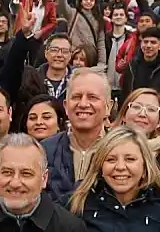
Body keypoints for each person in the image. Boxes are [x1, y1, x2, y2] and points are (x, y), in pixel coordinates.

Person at [41, 69, 113, 201]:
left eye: (92, 97)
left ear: (108, 106)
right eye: (76, 97)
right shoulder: (44, 150)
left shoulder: (120, 151)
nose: (83, 104)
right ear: (65, 106)